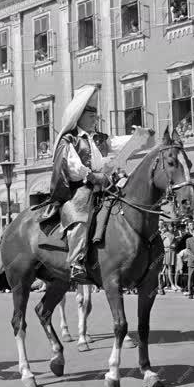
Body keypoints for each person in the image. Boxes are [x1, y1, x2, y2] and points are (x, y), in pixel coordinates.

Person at [45, 84, 129, 282]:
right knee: (80, 217)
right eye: (91, 116)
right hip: (80, 188)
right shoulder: (70, 139)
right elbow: (72, 167)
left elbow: (117, 144)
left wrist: (140, 136)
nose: (95, 119)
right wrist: (92, 176)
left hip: (105, 185)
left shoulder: (99, 139)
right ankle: (76, 262)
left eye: (95, 116)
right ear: (80, 117)